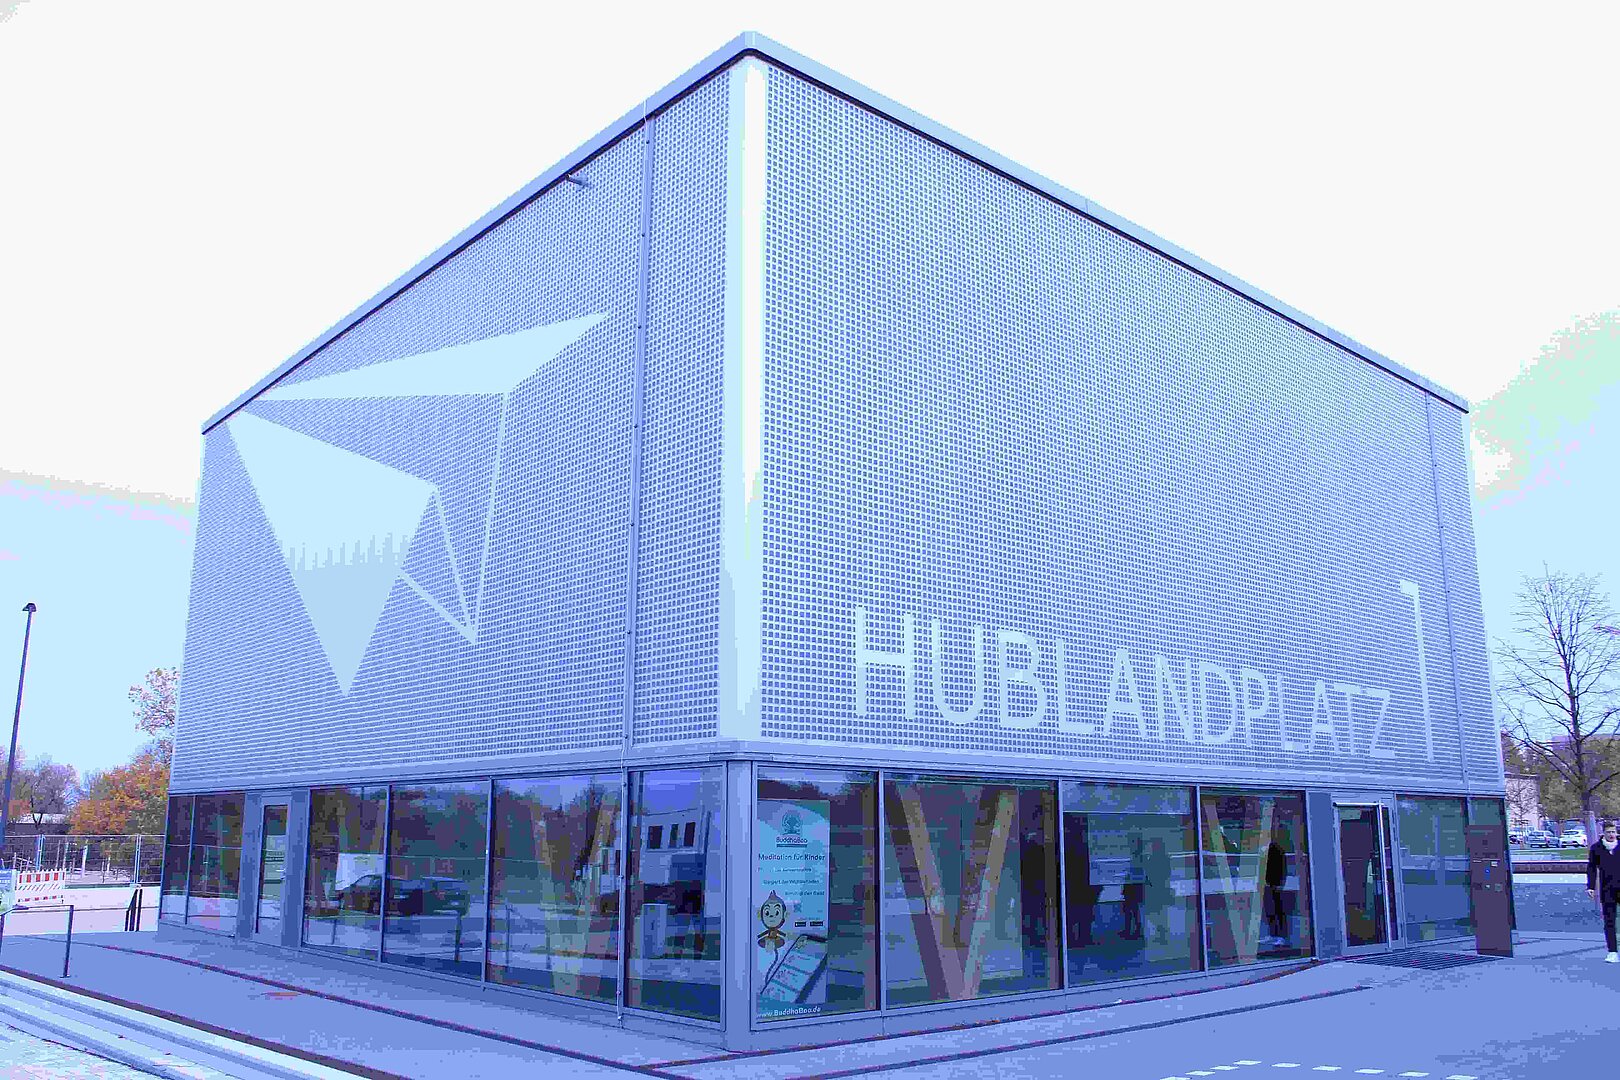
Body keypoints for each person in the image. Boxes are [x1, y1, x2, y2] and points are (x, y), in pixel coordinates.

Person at [1586, 820, 1620, 963]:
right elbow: (1592, 868)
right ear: (1603, 833)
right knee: (1609, 921)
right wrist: (1591, 886)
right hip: (1607, 889)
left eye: (1613, 832)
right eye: (1608, 832)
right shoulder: (1596, 848)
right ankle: (1612, 952)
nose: (1611, 835)